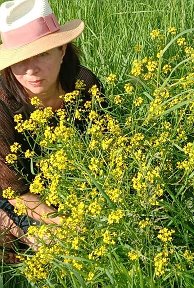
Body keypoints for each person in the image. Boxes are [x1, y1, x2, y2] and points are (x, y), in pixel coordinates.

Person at [0, 0, 105, 260]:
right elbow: (15, 191)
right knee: (54, 247)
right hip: (12, 191)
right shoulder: (3, 104)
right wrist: (68, 225)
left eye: (42, 54)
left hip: (60, 184)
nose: (31, 70)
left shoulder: (84, 84)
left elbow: (104, 149)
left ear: (62, 50)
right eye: (20, 59)